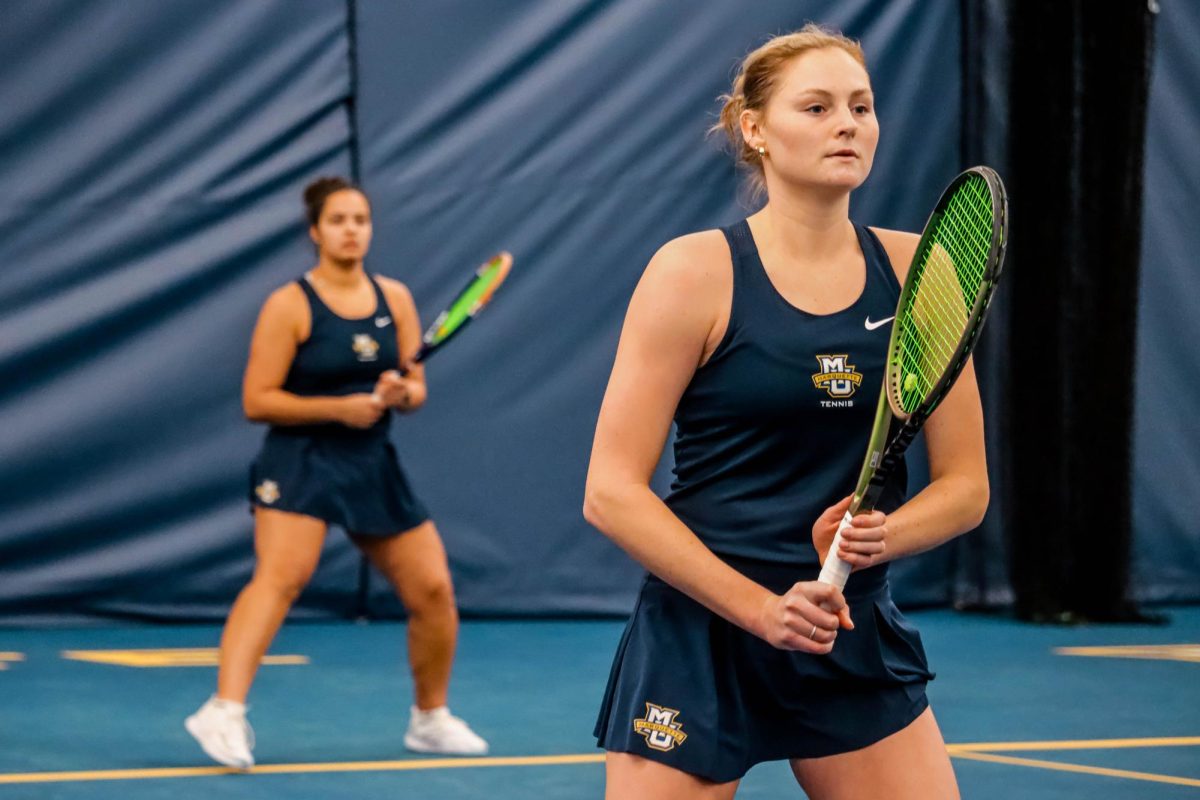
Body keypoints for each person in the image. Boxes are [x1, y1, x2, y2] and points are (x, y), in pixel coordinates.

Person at [584, 24, 986, 799]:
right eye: (818, 106)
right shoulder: (691, 272)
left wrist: (879, 537)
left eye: (862, 107)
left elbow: (967, 488)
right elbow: (610, 491)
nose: (848, 124)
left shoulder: (922, 271)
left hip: (847, 628)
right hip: (702, 633)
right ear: (755, 129)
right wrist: (763, 611)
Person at [185, 177, 487, 769]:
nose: (352, 229)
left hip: (371, 462)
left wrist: (401, 393)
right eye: (339, 220)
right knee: (281, 578)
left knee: (432, 591)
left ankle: (430, 719)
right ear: (315, 232)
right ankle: (222, 710)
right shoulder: (289, 305)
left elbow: (415, 388)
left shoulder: (394, 298)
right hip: (299, 461)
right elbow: (257, 399)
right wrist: (338, 408)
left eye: (361, 219)